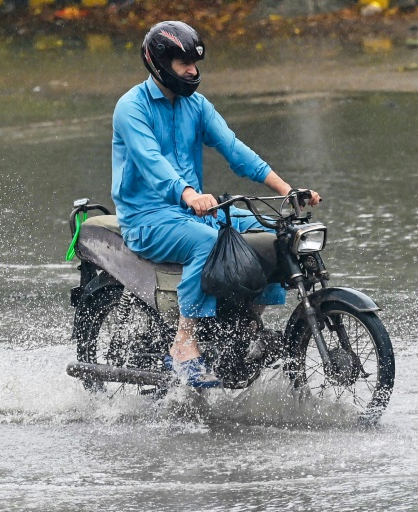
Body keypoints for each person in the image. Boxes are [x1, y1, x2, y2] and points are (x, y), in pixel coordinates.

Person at [112, 20, 320, 388]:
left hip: (192, 210)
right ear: (159, 63)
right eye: (183, 63)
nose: (193, 71)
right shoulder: (132, 108)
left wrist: (287, 189)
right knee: (207, 243)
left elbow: (235, 150)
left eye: (195, 62)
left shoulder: (197, 105)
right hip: (148, 218)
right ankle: (183, 343)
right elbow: (152, 163)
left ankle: (244, 325)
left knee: (269, 232)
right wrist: (189, 194)